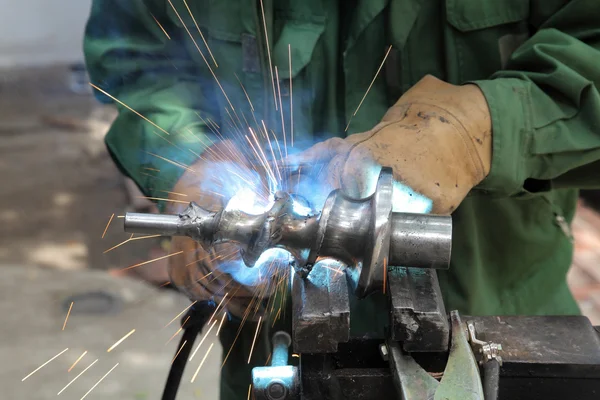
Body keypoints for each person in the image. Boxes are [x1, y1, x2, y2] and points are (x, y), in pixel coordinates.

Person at [84, 1, 600, 398]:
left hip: (499, 310)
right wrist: (187, 157)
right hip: (271, 346)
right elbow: (137, 49)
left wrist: (488, 126)